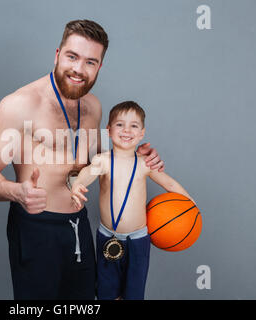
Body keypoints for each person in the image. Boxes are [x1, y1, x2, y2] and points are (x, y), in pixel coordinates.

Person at [0, 20, 165, 300]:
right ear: (57, 55)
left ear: (99, 67)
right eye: (72, 57)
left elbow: (100, 165)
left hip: (79, 224)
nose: (78, 69)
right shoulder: (19, 104)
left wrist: (134, 158)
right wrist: (16, 192)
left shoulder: (93, 107)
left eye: (90, 62)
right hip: (36, 228)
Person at [70, 101, 196, 300]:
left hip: (138, 240)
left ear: (141, 133)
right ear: (109, 130)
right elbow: (88, 172)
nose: (126, 130)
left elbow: (171, 185)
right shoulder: (103, 160)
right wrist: (78, 184)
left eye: (134, 126)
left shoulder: (146, 164)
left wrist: (192, 206)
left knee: (134, 294)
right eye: (120, 125)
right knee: (106, 292)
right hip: (107, 237)